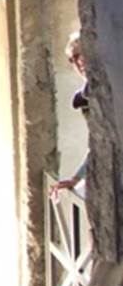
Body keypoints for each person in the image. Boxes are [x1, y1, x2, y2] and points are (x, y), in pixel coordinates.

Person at [49, 31, 89, 199]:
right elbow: (98, 146)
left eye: (82, 54)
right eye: (73, 59)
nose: (79, 62)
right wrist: (76, 178)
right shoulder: (85, 96)